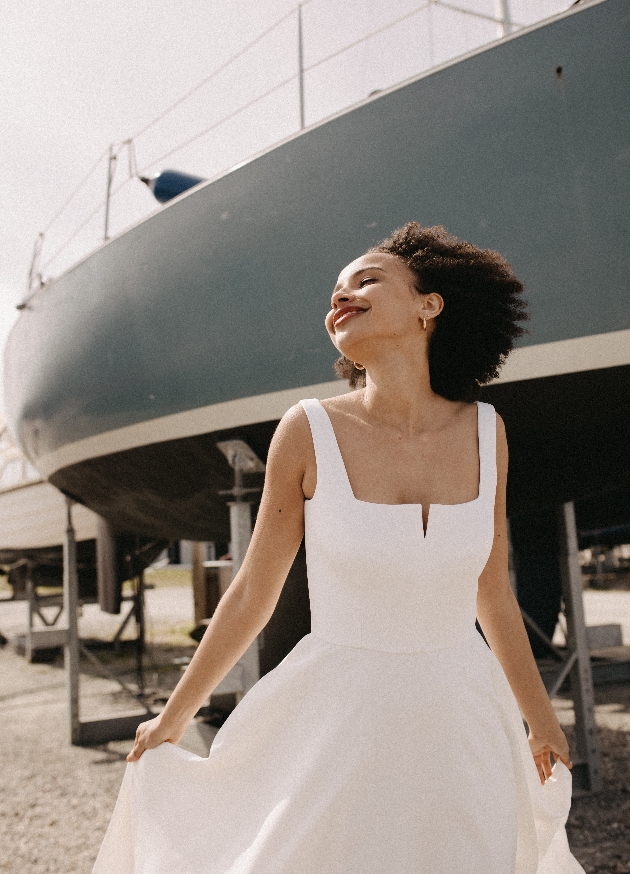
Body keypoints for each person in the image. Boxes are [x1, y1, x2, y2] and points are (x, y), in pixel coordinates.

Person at [93, 223, 584, 874]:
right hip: (337, 715)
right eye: (335, 292)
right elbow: (250, 595)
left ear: (428, 305)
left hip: (463, 713)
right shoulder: (307, 430)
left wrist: (540, 718)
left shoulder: (488, 433)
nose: (341, 298)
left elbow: (492, 594)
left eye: (366, 280)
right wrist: (173, 718)